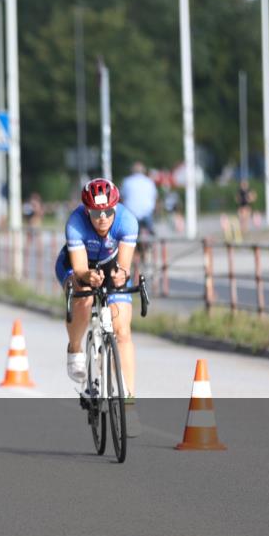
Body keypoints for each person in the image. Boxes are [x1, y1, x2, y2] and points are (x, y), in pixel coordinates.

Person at [54, 178, 142, 437]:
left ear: (116, 208)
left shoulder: (128, 222)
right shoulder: (76, 223)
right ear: (86, 211)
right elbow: (80, 268)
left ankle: (127, 406)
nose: (102, 218)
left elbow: (124, 266)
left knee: (122, 331)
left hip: (110, 265)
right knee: (84, 296)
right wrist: (87, 277)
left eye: (107, 212)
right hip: (77, 266)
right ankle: (75, 348)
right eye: (95, 213)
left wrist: (120, 276)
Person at [120, 162, 157, 239]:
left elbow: (122, 198)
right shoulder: (149, 182)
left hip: (131, 213)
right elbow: (154, 197)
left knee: (127, 234)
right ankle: (152, 242)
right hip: (147, 212)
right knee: (151, 232)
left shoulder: (126, 181)